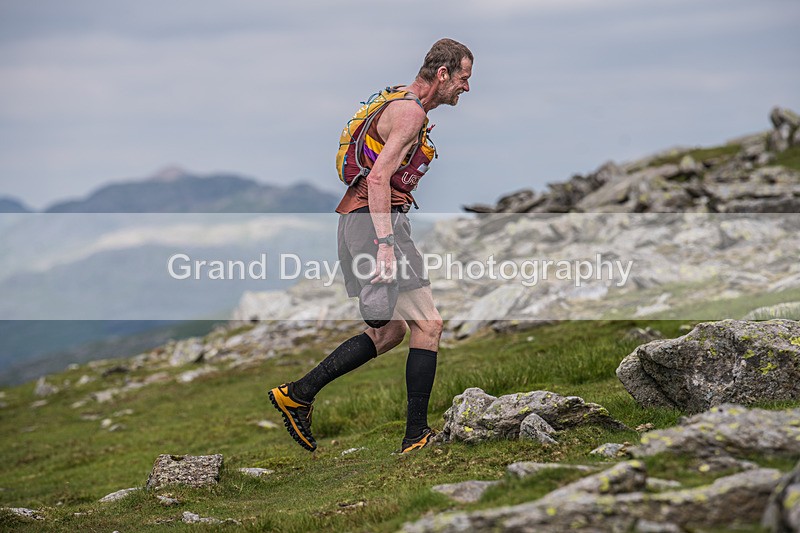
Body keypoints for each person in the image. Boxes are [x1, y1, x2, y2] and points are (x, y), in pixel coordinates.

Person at [269, 38, 473, 453]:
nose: (466, 88)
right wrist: (385, 246)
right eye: (464, 78)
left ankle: (298, 394)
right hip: (376, 224)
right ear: (443, 74)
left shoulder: (398, 100)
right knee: (429, 325)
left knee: (392, 329)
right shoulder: (410, 113)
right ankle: (416, 436)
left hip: (356, 221)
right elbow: (378, 178)